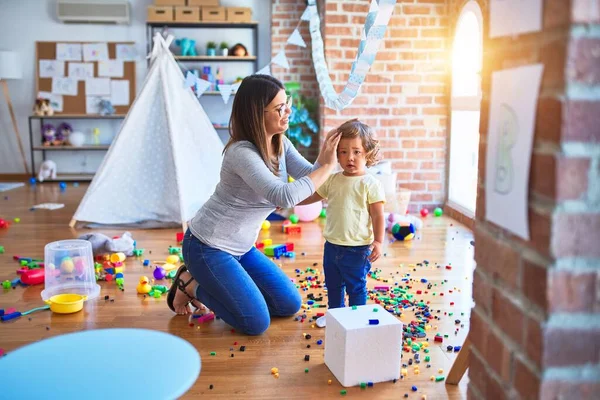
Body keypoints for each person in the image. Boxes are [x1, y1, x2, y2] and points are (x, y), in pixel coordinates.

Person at [166, 74, 342, 335]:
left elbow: (310, 179)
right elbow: (283, 196)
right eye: (280, 108)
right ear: (256, 113)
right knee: (255, 322)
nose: (288, 112)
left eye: (288, 104)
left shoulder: (280, 143)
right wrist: (326, 167)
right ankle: (190, 284)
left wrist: (345, 172)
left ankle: (228, 285)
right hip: (207, 246)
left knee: (289, 304)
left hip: (242, 248)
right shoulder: (242, 153)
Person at [297, 119, 385, 327]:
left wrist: (379, 242)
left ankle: (357, 320)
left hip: (357, 249)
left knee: (356, 287)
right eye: (343, 152)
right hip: (332, 246)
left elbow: (378, 215)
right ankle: (335, 316)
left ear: (368, 154)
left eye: (356, 152)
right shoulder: (332, 179)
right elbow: (312, 195)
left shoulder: (370, 183)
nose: (350, 158)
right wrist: (289, 201)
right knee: (334, 285)